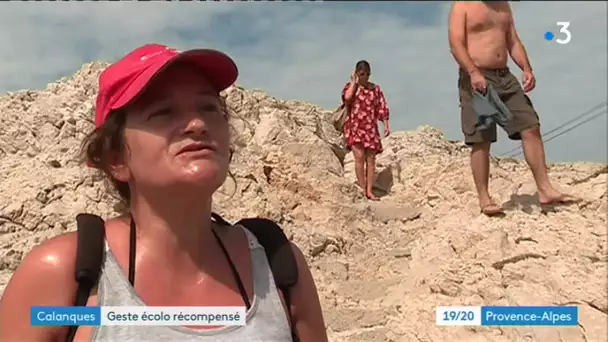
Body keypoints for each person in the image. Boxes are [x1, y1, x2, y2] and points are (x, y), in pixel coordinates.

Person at [0, 44, 328, 342]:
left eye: (210, 108)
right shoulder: (65, 279)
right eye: (164, 112)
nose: (198, 124)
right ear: (116, 159)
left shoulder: (279, 271)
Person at [448, 1, 581, 216]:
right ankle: (484, 198)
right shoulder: (463, 5)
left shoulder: (503, 6)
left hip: (505, 77)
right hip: (477, 75)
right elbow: (456, 44)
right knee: (481, 138)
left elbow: (512, 40)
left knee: (530, 126)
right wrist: (473, 72)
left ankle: (545, 189)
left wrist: (526, 68)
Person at [341, 60, 390, 200]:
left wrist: (386, 124)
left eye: (367, 74)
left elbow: (382, 107)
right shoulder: (352, 87)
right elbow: (347, 98)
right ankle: (362, 190)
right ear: (357, 73)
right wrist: (354, 82)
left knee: (371, 159)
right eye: (362, 74)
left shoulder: (375, 89)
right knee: (359, 158)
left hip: (370, 128)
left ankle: (369, 191)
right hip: (355, 127)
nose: (365, 77)